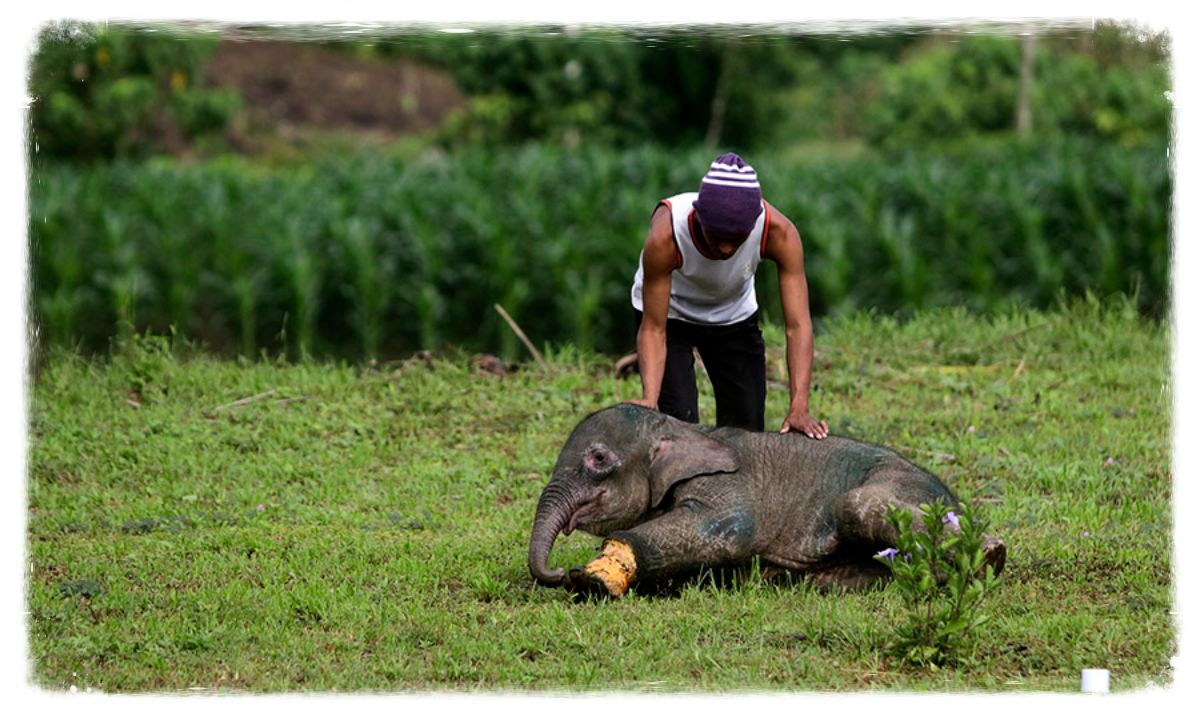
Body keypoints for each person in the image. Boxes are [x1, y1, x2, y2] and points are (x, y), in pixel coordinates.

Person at [628, 152, 828, 438]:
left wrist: (799, 406)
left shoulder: (779, 233)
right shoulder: (667, 235)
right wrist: (650, 399)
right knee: (679, 429)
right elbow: (653, 328)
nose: (724, 249)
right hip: (671, 315)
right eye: (716, 237)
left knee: (745, 434)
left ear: (753, 225)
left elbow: (798, 326)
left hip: (732, 316)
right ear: (700, 217)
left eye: (735, 240)